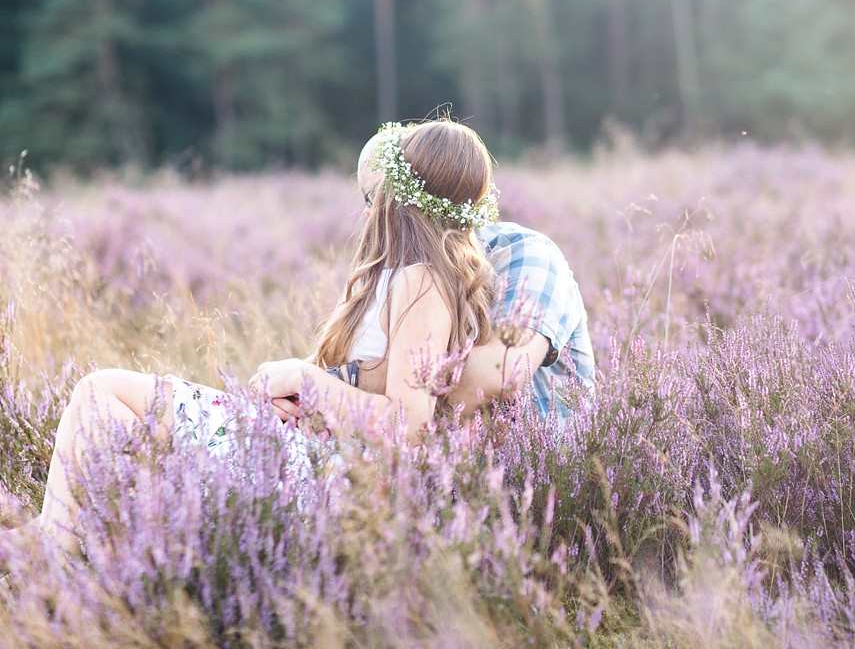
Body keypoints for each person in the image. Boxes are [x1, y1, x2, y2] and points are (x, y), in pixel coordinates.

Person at [6, 119, 593, 554]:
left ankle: (54, 557)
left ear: (396, 198)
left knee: (101, 393)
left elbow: (409, 424)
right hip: (327, 458)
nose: (367, 212)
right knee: (114, 418)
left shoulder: (424, 281)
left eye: (373, 196)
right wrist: (300, 389)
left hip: (334, 475)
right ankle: (71, 552)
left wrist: (311, 385)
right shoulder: (433, 277)